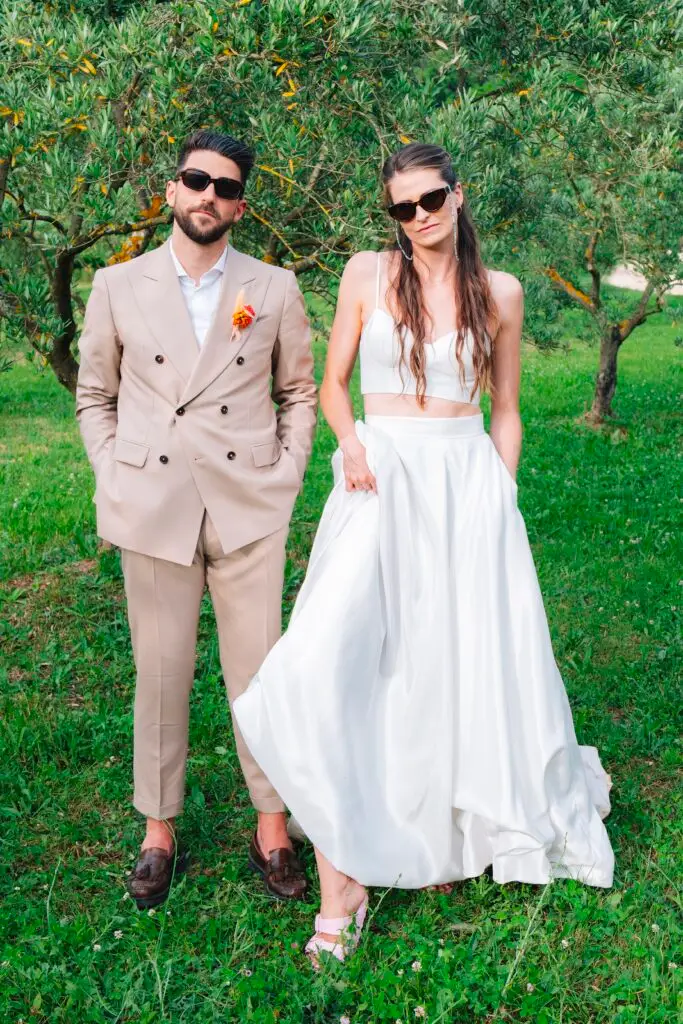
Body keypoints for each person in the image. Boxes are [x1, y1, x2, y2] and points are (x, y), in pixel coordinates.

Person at [234, 142, 614, 965]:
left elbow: (504, 407)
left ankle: (429, 820)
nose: (418, 219)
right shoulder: (367, 275)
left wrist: (500, 493)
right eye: (401, 208)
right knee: (333, 656)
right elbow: (331, 383)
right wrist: (351, 445)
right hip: (380, 479)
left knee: (448, 658)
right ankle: (345, 880)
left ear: (457, 194)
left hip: (463, 482)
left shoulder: (500, 292)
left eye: (430, 200)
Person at [76, 130, 317, 908]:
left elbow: (300, 394)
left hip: (248, 505)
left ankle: (271, 822)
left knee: (259, 671)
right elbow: (95, 395)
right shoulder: (117, 284)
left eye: (224, 186)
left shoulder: (273, 287)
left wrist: (284, 476)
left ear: (239, 206)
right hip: (153, 502)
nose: (208, 195)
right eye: (195, 180)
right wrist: (114, 471)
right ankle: (157, 827)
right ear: (172, 191)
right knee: (161, 669)